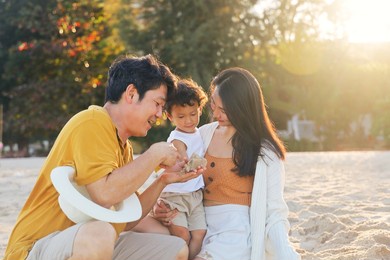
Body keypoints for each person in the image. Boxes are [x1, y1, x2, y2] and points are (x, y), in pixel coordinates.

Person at [4, 54, 204, 260]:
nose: (160, 114)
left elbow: (127, 219)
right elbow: (104, 194)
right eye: (157, 104)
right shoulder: (92, 122)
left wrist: (163, 180)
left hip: (84, 243)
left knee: (175, 249)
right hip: (35, 248)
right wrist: (154, 154)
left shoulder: (122, 145)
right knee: (100, 234)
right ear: (132, 93)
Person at [147, 67, 301, 260]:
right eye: (213, 105)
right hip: (196, 220)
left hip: (234, 230)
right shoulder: (202, 134)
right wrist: (158, 207)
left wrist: (286, 253)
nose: (216, 114)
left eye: (224, 110)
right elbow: (171, 173)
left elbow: (275, 211)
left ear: (242, 108)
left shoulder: (265, 152)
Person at [157, 79, 208, 259]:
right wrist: (185, 160)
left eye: (193, 114)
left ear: (200, 110)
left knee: (200, 233)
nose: (188, 120)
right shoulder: (177, 139)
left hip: (195, 194)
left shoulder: (199, 133)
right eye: (181, 116)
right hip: (175, 196)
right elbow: (182, 156)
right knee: (183, 235)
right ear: (170, 117)